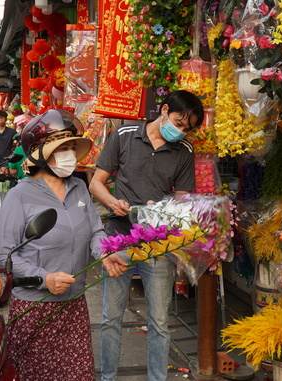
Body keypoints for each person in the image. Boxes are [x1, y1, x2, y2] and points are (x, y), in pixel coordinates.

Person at [89, 90, 204, 381]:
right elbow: (97, 183)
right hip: (118, 239)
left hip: (158, 245)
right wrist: (113, 203)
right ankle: (108, 377)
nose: (180, 132)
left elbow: (183, 203)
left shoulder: (184, 152)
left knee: (160, 322)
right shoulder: (125, 134)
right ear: (163, 110)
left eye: (186, 129)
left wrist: (162, 210)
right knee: (111, 318)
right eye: (178, 122)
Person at [0, 109, 106, 381]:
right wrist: (45, 278)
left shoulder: (79, 187)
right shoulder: (19, 196)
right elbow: (3, 258)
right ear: (40, 153)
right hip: (36, 308)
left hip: (74, 307)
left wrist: (107, 252)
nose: (69, 154)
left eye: (71, 147)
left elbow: (96, 231)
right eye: (61, 148)